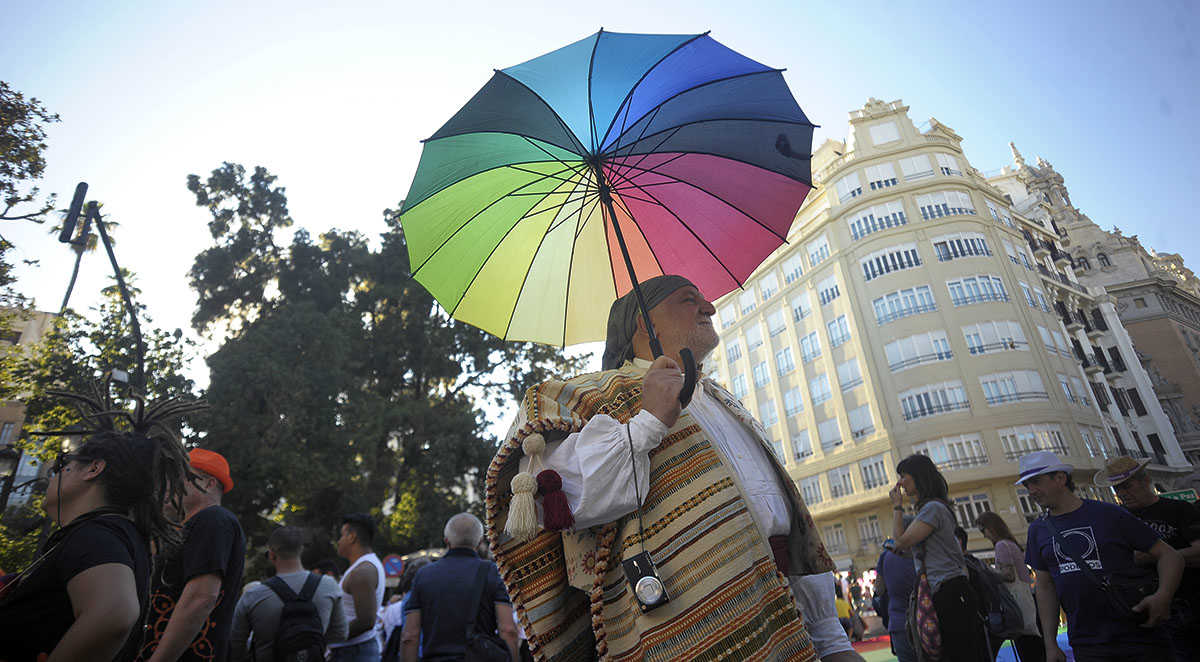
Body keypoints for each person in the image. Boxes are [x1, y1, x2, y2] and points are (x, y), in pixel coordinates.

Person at [484, 275, 863, 662]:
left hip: (794, 622)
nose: (709, 307)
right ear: (644, 324)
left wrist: (830, 638)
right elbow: (560, 498)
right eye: (688, 299)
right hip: (685, 631)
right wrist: (646, 422)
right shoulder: (593, 395)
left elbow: (785, 524)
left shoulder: (721, 399)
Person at [0, 390, 197, 662]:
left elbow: (115, 613)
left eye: (62, 463)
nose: (53, 474)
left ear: (93, 469)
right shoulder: (112, 535)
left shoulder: (97, 536)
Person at [1019, 451, 1183, 662]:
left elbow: (1170, 556)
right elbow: (1044, 587)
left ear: (1060, 478)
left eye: (1035, 482)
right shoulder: (1037, 530)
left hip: (1140, 636)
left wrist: (1163, 596)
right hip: (1087, 645)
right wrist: (1050, 645)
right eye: (1026, 486)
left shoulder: (1109, 513)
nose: (1031, 491)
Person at [137, 448, 247, 662]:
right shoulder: (192, 527)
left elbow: (201, 598)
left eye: (178, 478)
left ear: (208, 483)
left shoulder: (213, 519)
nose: (168, 486)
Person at [1096, 455, 1200, 662]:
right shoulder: (1116, 518)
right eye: (1118, 489)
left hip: (1191, 601)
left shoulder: (1179, 509)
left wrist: (1159, 557)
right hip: (1146, 611)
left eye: (1128, 486)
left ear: (1146, 480)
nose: (1123, 493)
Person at [887, 453, 988, 661]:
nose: (900, 482)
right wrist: (897, 508)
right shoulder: (927, 511)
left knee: (958, 654)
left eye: (904, 476)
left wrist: (897, 506)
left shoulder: (933, 509)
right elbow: (900, 545)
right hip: (942, 590)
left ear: (919, 477)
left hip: (950, 590)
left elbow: (901, 542)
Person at [400, 513, 518, 661]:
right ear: (480, 542)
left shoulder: (423, 575)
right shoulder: (492, 573)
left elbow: (409, 636)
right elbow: (508, 630)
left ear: (446, 541)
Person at [229, 526, 347, 661]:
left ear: (272, 554)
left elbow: (236, 643)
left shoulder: (253, 594)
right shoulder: (329, 586)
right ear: (300, 551)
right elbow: (341, 633)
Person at [974, 511, 1044, 662]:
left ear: (991, 528)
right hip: (1028, 600)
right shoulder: (1011, 543)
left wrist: (986, 572)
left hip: (1017, 605)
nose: (984, 535)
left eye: (983, 530)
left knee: (1028, 651)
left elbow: (1009, 575)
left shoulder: (1001, 546)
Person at [329, 513, 384, 662]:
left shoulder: (362, 572)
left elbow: (366, 621)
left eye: (341, 536)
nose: (339, 541)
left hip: (354, 653)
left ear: (352, 537)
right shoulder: (363, 567)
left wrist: (328, 637)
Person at [876, 517, 918, 662]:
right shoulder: (919, 553)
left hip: (898, 623)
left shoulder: (885, 556)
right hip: (925, 619)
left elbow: (879, 589)